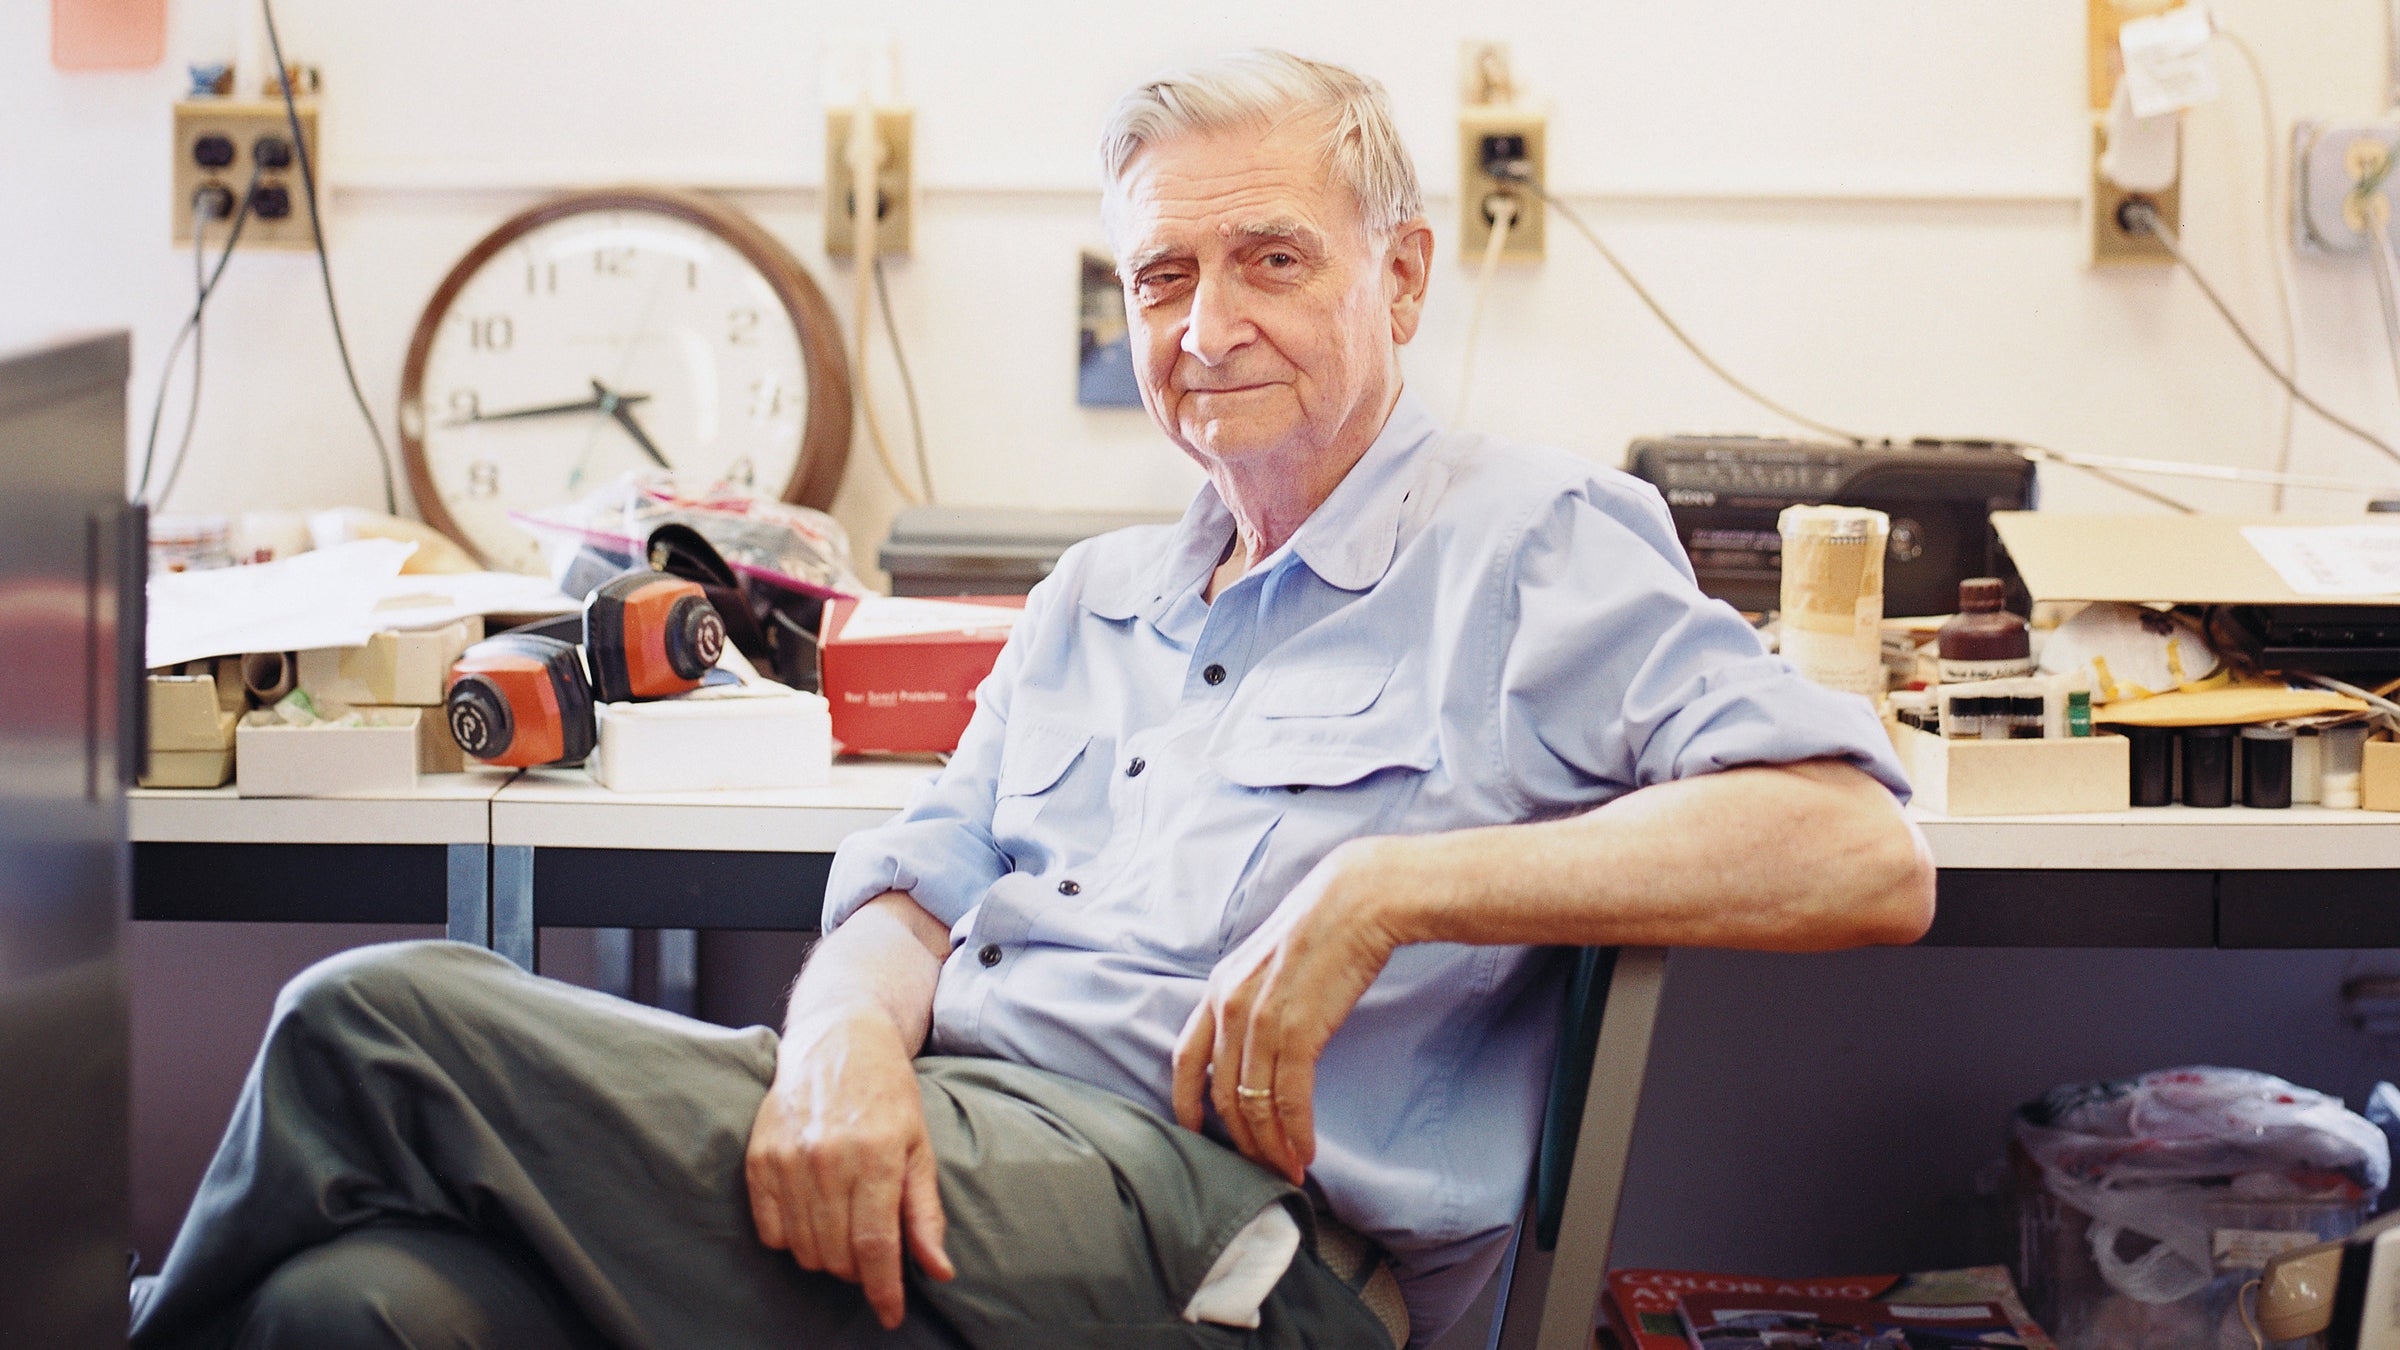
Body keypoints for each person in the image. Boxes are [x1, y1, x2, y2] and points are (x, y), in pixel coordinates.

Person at [130, 49, 1933, 1350]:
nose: (1204, 320)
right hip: (954, 1154)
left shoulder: (1531, 542)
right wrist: (844, 1041)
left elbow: (1857, 850)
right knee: (347, 1303)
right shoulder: (1098, 598)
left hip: (1223, 1243)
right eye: (1161, 274)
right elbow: (914, 879)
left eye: (1271, 259)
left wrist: (1391, 885)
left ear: (1398, 274)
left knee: (372, 1023)